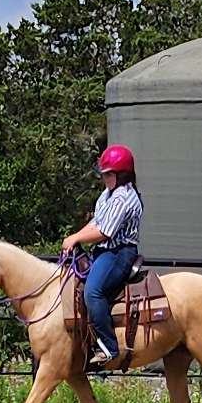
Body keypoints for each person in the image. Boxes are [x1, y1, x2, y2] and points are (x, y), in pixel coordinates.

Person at [61, 144, 143, 365]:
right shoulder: (108, 194)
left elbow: (105, 232)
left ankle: (109, 347)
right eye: (104, 174)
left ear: (121, 174)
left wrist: (76, 239)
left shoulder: (124, 198)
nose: (104, 178)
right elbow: (96, 222)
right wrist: (75, 236)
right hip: (104, 251)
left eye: (108, 174)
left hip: (119, 252)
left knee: (93, 292)